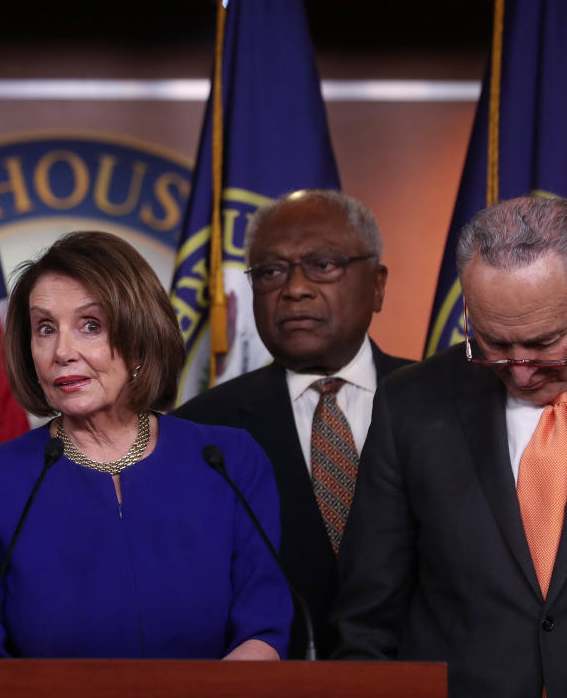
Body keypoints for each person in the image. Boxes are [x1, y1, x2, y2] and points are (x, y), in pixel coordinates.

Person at [333, 195, 567, 697]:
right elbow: (366, 618)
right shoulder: (413, 403)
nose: (521, 368)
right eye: (493, 343)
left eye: (544, 342)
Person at [0, 231, 292, 659]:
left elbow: (263, 627)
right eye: (45, 328)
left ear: (140, 336)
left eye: (91, 325)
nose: (62, 351)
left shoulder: (228, 462)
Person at [174, 189, 410, 658]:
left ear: (378, 285)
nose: (295, 288)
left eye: (324, 265)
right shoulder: (201, 431)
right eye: (271, 272)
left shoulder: (444, 404)